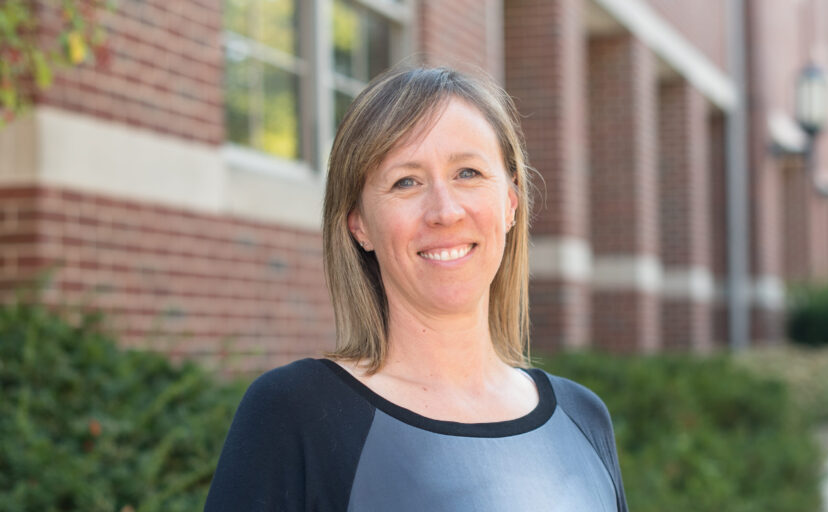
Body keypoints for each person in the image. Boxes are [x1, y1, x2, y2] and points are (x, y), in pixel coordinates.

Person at [204, 67, 628, 511]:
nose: (445, 212)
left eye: (468, 172)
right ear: (359, 225)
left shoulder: (582, 418)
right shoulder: (296, 415)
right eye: (406, 181)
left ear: (510, 205)